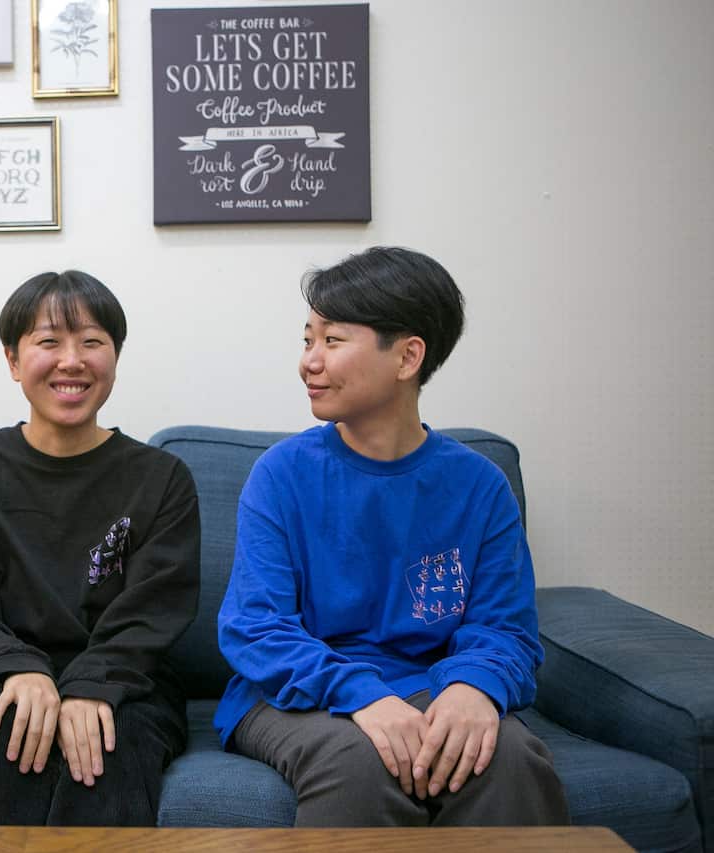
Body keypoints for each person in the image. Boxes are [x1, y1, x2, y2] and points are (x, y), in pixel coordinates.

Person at [214, 246, 570, 826]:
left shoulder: (479, 485)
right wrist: (364, 695)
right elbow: (257, 627)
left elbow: (505, 628)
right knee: (361, 762)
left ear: (407, 357)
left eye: (332, 341)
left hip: (432, 684)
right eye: (307, 340)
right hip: (298, 694)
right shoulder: (281, 475)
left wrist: (474, 687)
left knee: (506, 758)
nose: (309, 362)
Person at [0, 270, 201, 826]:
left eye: (91, 342)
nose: (72, 361)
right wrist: (19, 669)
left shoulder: (162, 479)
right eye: (49, 342)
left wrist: (93, 684)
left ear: (115, 357)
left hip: (125, 679)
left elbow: (156, 607)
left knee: (103, 750)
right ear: (14, 360)